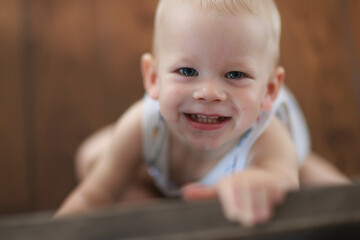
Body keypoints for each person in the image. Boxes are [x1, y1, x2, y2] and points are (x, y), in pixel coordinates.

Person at [55, 0, 350, 226]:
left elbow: (282, 182)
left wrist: (264, 181)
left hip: (257, 139)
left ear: (269, 90)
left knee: (338, 197)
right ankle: (181, 213)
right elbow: (93, 197)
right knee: (90, 158)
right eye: (187, 71)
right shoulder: (143, 124)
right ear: (154, 78)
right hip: (190, 158)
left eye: (235, 74)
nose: (209, 92)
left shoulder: (268, 138)